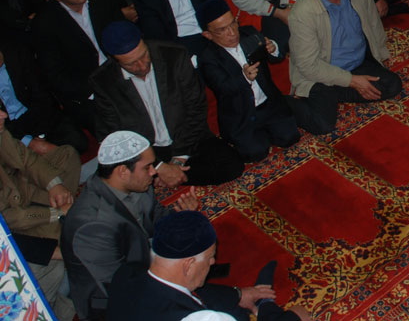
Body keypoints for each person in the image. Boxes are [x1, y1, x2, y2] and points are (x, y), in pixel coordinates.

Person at [61, 131, 198, 321]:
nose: (154, 172)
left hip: (139, 261)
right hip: (112, 303)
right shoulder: (91, 226)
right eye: (148, 167)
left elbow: (156, 217)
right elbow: (118, 288)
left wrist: (182, 216)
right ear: (122, 171)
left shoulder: (135, 183)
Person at [91, 21, 245, 187]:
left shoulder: (173, 55)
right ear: (115, 60)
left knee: (232, 165)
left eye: (143, 56)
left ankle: (163, 178)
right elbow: (114, 133)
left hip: (186, 137)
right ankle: (161, 176)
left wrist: (177, 161)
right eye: (131, 64)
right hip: (145, 150)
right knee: (119, 181)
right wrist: (157, 165)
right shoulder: (102, 82)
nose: (142, 66)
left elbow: (196, 108)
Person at [107, 210, 309, 321]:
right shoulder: (204, 319)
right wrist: (294, 318)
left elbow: (185, 291)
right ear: (188, 264)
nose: (213, 262)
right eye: (210, 257)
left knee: (237, 311)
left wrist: (238, 294)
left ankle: (264, 309)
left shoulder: (125, 274)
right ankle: (268, 312)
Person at [288, 0, 403, 134]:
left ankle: (335, 92)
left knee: (393, 84)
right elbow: (308, 66)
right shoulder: (301, 14)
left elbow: (373, 21)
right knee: (323, 124)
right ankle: (292, 101)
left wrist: (380, 56)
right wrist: (352, 81)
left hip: (357, 62)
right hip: (322, 71)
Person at [0, 108, 79, 321]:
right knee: (52, 264)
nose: (4, 116)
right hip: (15, 220)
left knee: (67, 155)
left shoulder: (1, 132)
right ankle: (60, 227)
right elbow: (9, 219)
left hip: (20, 187)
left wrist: (55, 185)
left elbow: (26, 160)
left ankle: (62, 222)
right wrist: (54, 214)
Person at [197, 0, 300, 162]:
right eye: (222, 30)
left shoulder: (249, 34)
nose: (232, 33)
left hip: (268, 104)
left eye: (233, 24)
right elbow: (223, 88)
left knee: (290, 137)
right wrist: (243, 77)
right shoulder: (207, 58)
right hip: (241, 114)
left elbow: (277, 58)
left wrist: (273, 48)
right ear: (208, 35)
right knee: (256, 153)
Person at [32, 0, 122, 134]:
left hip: (120, 71)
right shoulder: (45, 24)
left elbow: (122, 36)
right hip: (86, 91)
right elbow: (55, 77)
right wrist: (97, 89)